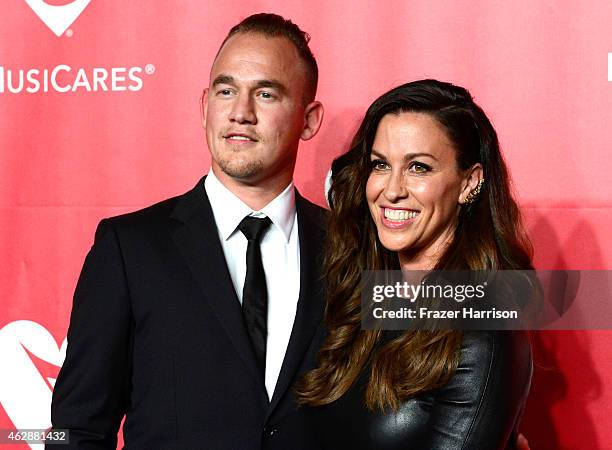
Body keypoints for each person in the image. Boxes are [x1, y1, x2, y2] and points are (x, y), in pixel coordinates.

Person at [48, 14, 326, 449]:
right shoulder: (129, 248)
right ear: (204, 107)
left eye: (267, 93)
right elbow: (77, 429)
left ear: (309, 120)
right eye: (226, 90)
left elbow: (447, 337)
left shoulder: (352, 248)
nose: (240, 113)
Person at [298, 79, 533, 449]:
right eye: (380, 165)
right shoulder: (364, 295)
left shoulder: (481, 333)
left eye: (419, 167)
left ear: (469, 182)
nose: (391, 190)